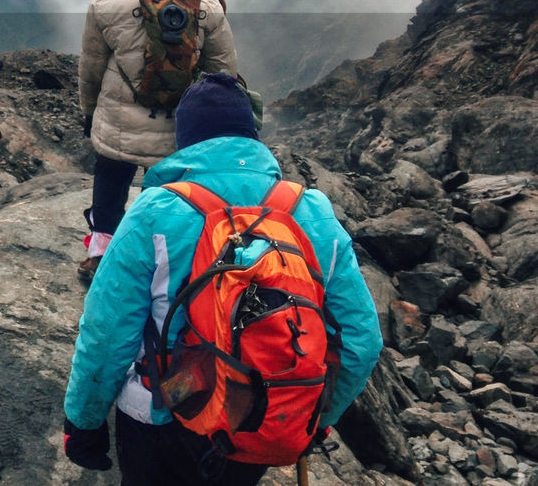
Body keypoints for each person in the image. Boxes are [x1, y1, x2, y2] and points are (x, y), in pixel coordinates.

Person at [62, 72, 382, 485]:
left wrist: (84, 423)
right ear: (251, 134)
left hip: (161, 418)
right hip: (259, 414)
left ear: (185, 139)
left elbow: (107, 334)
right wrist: (315, 415)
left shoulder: (155, 210)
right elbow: (362, 340)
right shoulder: (311, 210)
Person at [78, 0, 238, 282]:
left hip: (119, 120)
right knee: (173, 192)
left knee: (111, 173)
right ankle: (173, 263)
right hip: (179, 127)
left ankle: (101, 252)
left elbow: (91, 69)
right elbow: (224, 71)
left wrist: (89, 114)